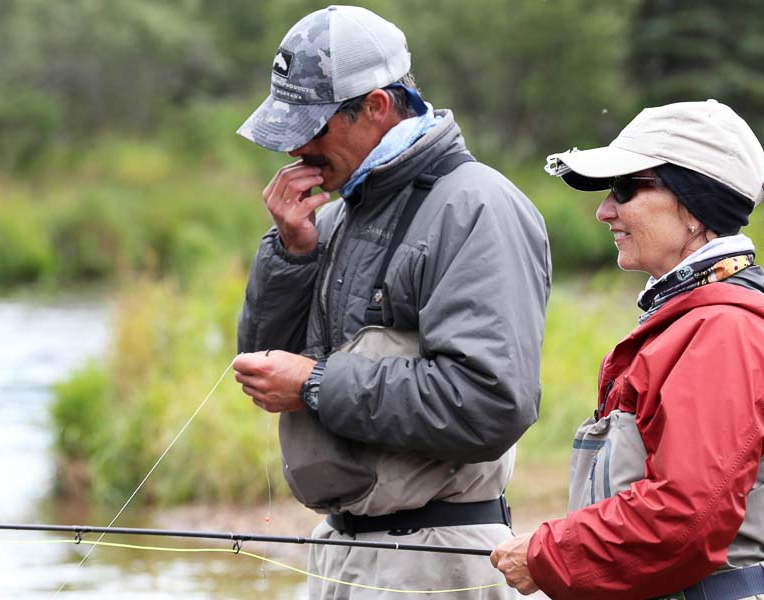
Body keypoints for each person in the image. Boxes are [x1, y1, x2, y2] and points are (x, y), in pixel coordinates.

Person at [231, 6, 551, 598]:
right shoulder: (332, 217)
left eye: (314, 127)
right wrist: (292, 255)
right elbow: (265, 367)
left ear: (376, 106)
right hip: (341, 553)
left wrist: (317, 384)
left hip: (435, 562)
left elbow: (489, 405)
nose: (297, 148)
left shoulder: (477, 208)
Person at [491, 99, 764, 599]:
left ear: (694, 207)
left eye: (625, 188)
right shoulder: (700, 322)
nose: (604, 210)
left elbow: (685, 516)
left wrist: (551, 554)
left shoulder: (723, 332)